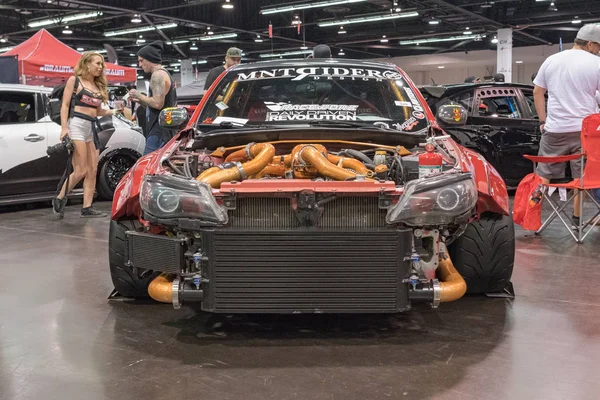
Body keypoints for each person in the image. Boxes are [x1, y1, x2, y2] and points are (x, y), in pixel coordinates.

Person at [532, 23, 600, 228]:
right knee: (581, 178)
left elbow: (537, 91)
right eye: (598, 46)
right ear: (589, 43)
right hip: (584, 132)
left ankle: (532, 217)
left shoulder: (551, 60)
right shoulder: (596, 63)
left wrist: (543, 121)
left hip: (554, 130)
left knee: (543, 175)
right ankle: (576, 221)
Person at [52, 52, 123, 218]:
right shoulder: (74, 81)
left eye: (101, 64)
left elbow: (97, 111)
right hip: (77, 125)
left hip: (92, 127)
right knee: (80, 170)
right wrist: (64, 128)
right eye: (97, 63)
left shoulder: (97, 86)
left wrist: (113, 111)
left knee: (92, 170)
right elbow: (65, 105)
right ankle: (60, 197)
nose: (100, 67)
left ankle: (87, 207)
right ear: (87, 64)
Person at [127, 41, 177, 155]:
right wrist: (141, 100)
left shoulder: (158, 75)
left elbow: (158, 103)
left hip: (159, 131)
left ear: (150, 59)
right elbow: (158, 106)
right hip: (165, 129)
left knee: (148, 167)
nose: (140, 65)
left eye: (141, 60)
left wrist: (139, 95)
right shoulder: (165, 73)